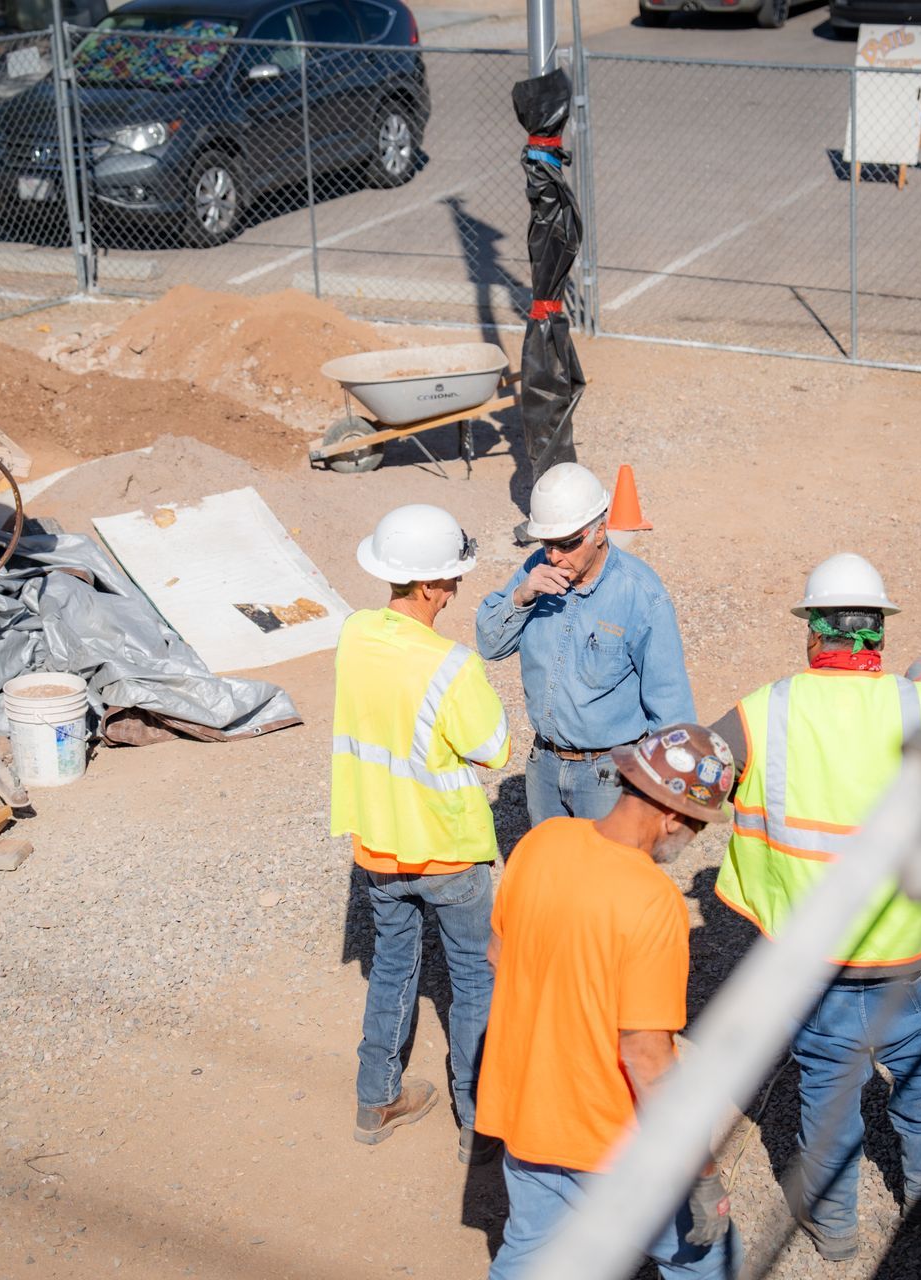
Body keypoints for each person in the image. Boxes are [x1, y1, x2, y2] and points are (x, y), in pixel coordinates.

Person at [707, 553, 921, 1261]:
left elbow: (695, 778)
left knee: (827, 1087)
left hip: (813, 964)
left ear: (811, 631)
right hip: (912, 955)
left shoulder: (764, 711)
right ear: (879, 631)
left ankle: (834, 1224)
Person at [477, 723, 738, 1279]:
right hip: (607, 1141)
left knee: (529, 1257)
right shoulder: (653, 901)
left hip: (528, 1118)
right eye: (698, 825)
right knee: (706, 1259)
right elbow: (646, 1057)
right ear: (672, 817)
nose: (693, 837)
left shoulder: (542, 841)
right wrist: (700, 1172)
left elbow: (498, 958)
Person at [330, 504, 511, 1165]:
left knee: (392, 966)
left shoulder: (354, 634)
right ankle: (478, 1121)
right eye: (453, 579)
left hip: (379, 845)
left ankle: (376, 1099)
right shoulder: (452, 665)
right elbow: (493, 749)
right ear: (432, 586)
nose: (455, 590)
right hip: (448, 851)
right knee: (473, 979)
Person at [476, 462, 697, 825]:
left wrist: (669, 795)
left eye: (567, 543)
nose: (555, 556)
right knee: (551, 863)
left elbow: (670, 703)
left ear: (599, 530)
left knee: (609, 864)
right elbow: (490, 645)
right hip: (544, 767)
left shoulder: (641, 594)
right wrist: (521, 595)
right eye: (547, 543)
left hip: (608, 776)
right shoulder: (536, 571)